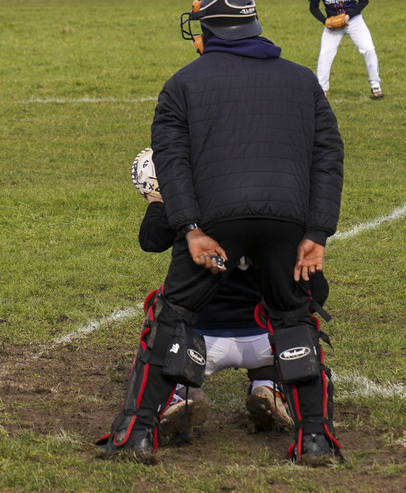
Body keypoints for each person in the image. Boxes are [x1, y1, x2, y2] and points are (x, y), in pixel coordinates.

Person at [98, 0, 343, 466]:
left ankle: (137, 433)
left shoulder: (182, 83)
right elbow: (328, 156)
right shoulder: (302, 80)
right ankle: (315, 438)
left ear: (209, 29)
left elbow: (172, 162)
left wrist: (190, 227)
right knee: (295, 319)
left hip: (215, 218)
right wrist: (317, 232)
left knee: (173, 319)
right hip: (288, 219)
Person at [129, 148, 328, 441]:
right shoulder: (283, 213)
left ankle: (179, 395)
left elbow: (151, 238)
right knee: (294, 317)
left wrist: (159, 199)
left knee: (167, 313)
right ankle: (270, 386)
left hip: (199, 344)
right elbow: (318, 293)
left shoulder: (196, 213)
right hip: (268, 342)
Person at [309, 0, 381, 99]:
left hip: (354, 21)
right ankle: (321, 90)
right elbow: (313, 8)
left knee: (368, 49)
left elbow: (364, 0)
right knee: (325, 54)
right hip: (333, 26)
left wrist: (349, 15)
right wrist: (325, 21)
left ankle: (375, 85)